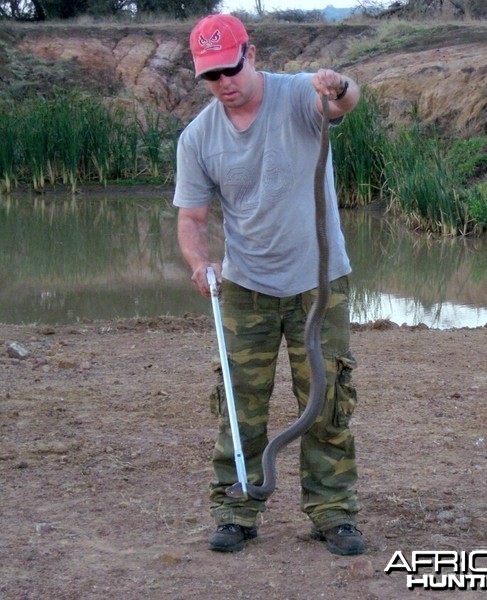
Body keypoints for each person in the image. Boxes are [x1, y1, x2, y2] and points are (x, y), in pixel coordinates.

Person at [173, 13, 363, 556]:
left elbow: (345, 103)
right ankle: (237, 507)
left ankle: (333, 514)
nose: (224, 83)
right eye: (211, 76)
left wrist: (340, 87)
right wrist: (198, 263)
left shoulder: (299, 95)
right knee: (238, 403)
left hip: (318, 284)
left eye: (231, 68)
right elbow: (191, 220)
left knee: (326, 401)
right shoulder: (198, 138)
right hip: (245, 287)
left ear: (250, 54)